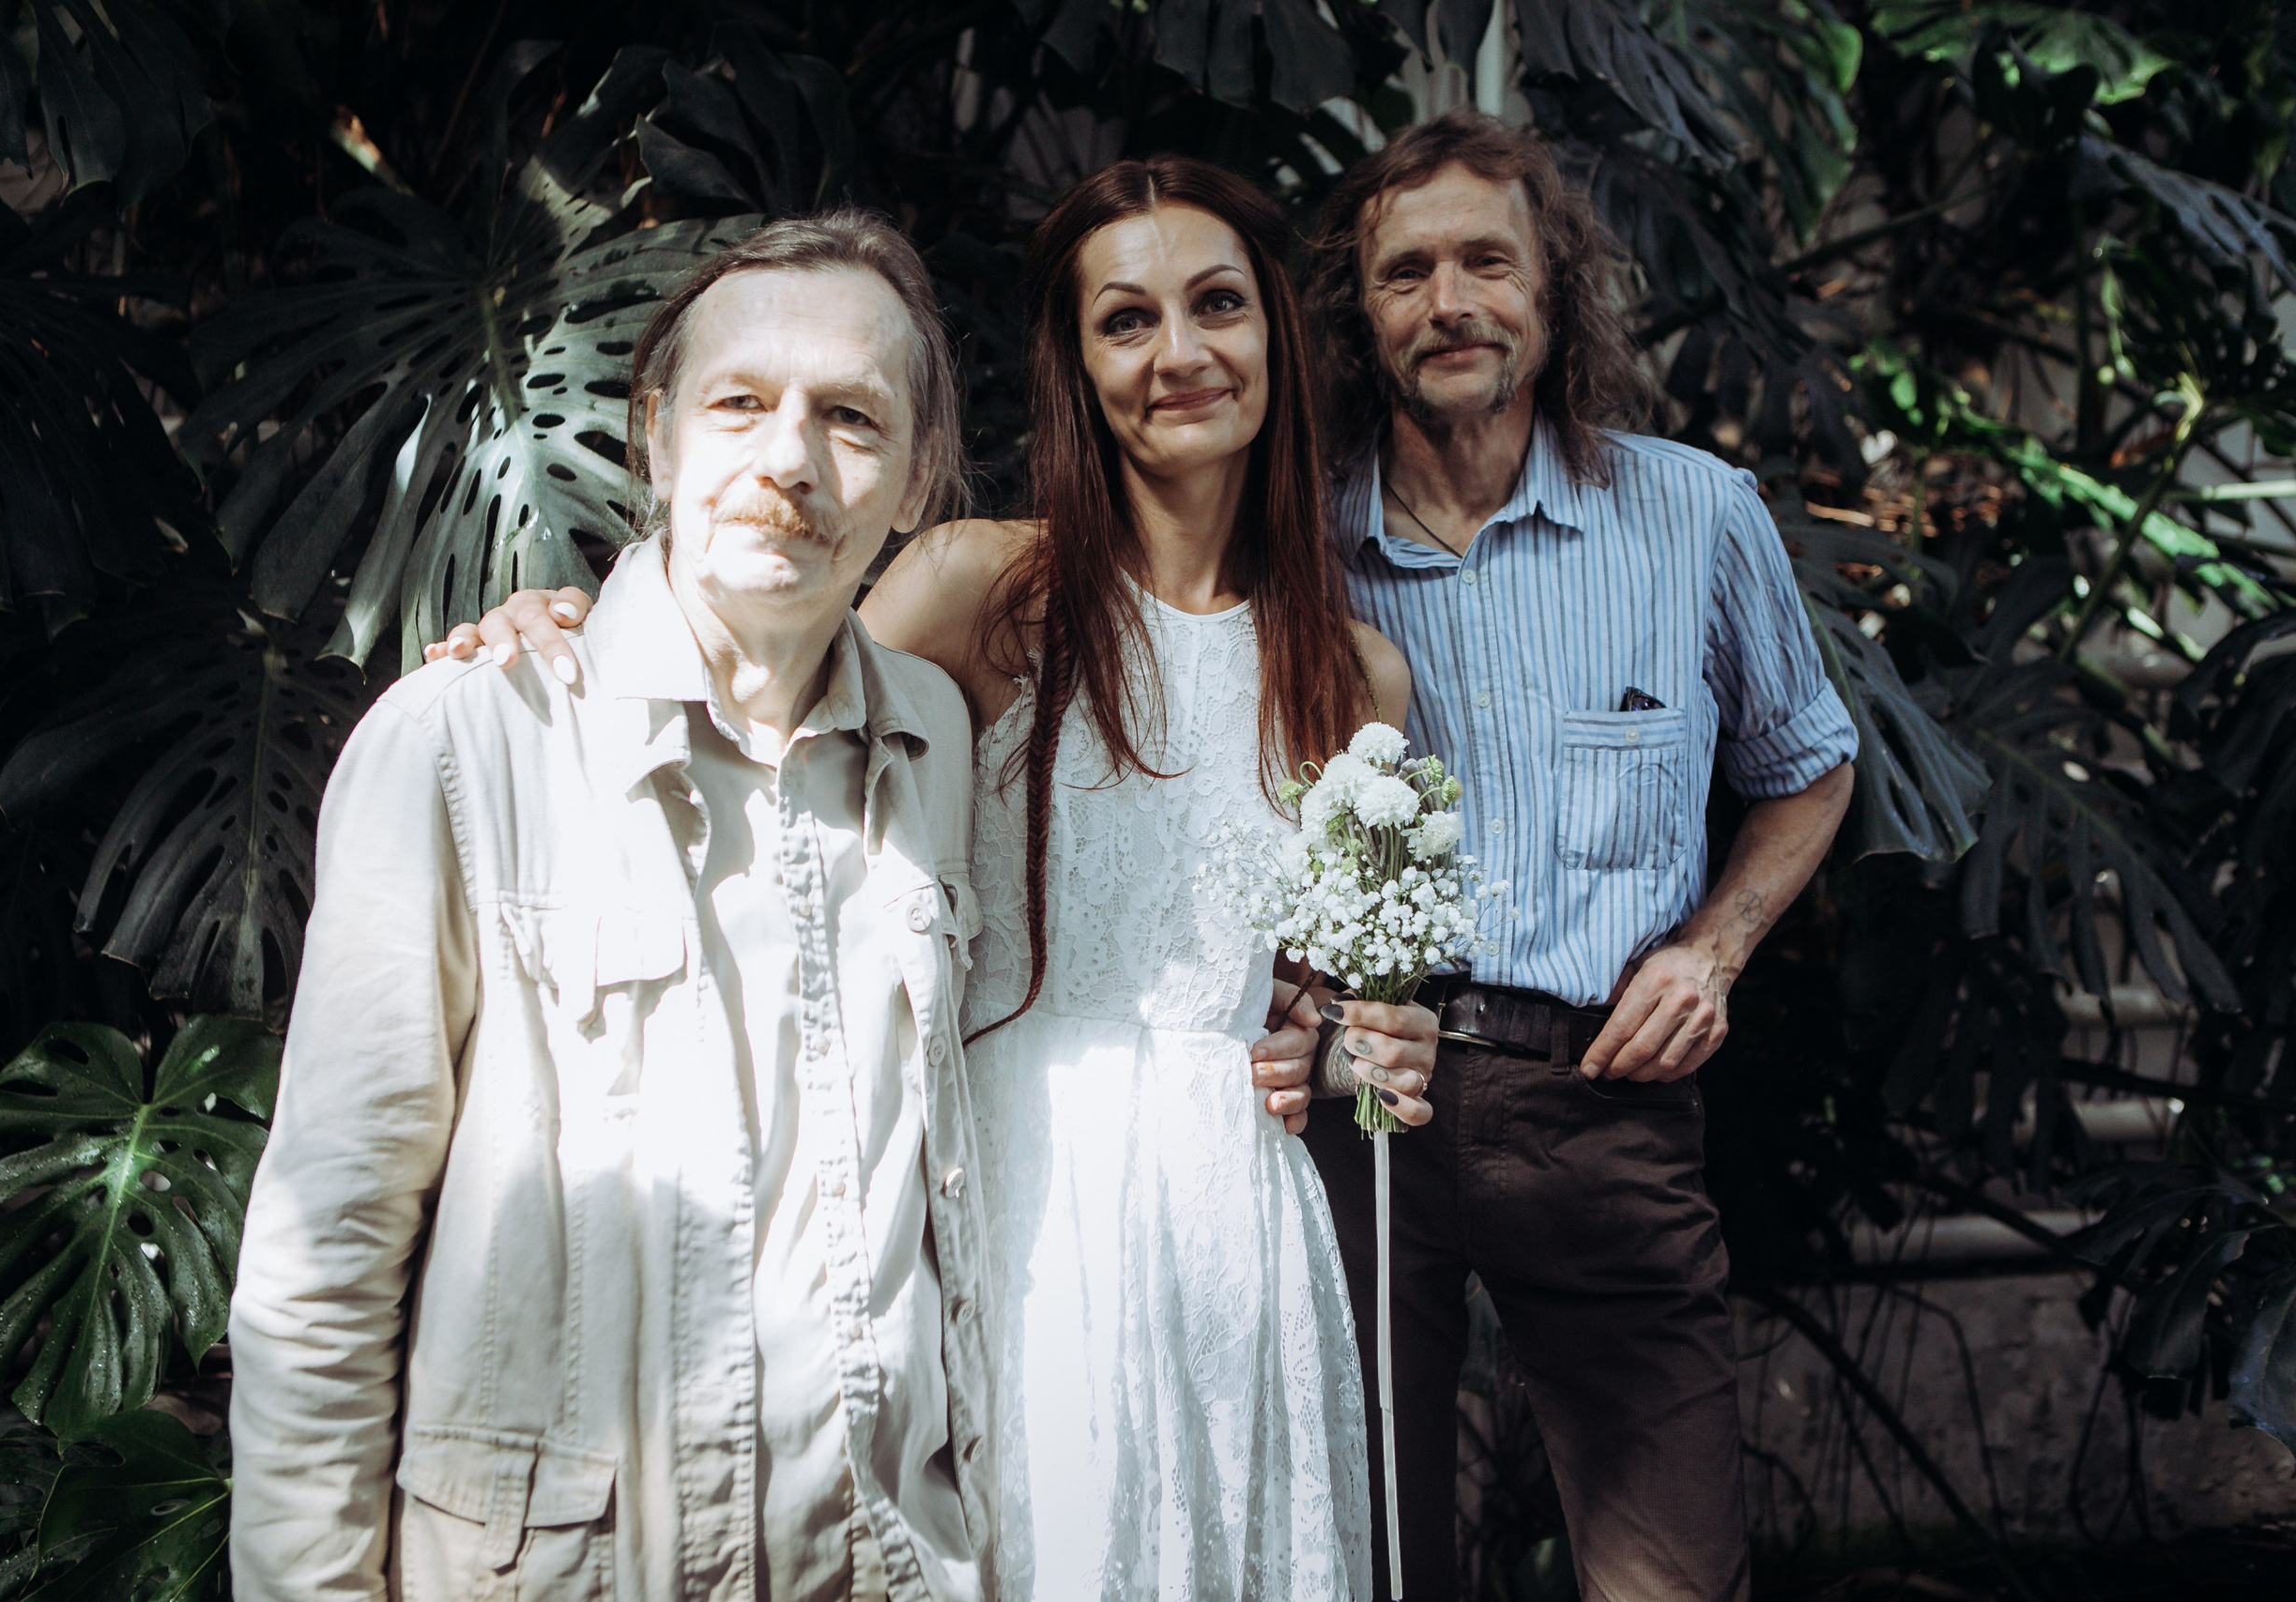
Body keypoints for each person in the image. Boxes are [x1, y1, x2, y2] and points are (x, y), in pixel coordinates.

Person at [437, 159, 1440, 1601]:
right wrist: (569, 629)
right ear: (1076, 364)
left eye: (1217, 305)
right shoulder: (985, 583)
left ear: (1279, 335)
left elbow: (1326, 998)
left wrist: (1351, 1046)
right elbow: (762, 695)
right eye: (1125, 320)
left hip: (1242, 1215)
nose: (1179, 354)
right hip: (1023, 1190)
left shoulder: (1359, 673)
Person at [230, 213, 1004, 1602]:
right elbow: (325, 1259)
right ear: (655, 437)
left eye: (850, 418)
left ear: (913, 487)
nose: (786, 460)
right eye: (739, 404)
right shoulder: (468, 747)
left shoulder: (943, 749)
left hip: (889, 1567)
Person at [1293, 112, 1860, 1602]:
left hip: (1603, 1099)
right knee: (1361, 1556)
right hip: (1358, 1113)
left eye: (1488, 260)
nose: (1450, 302)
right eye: (1405, 272)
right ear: (1362, 311)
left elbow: (1810, 768)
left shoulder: (1690, 515)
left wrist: (1711, 948)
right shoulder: (1292, 537)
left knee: (1667, 1571)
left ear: (1554, 288)